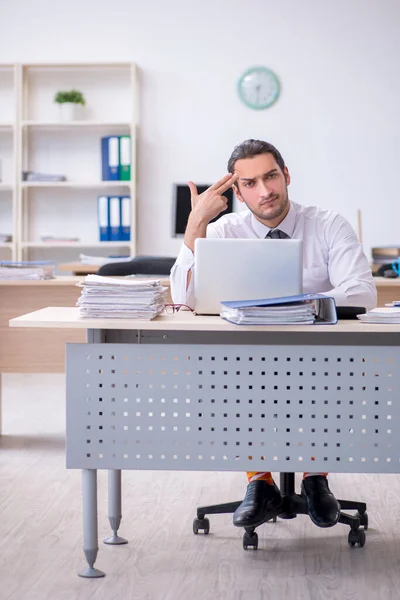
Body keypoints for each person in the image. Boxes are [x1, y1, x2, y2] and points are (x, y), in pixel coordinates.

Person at [170, 139, 377, 530]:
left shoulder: (328, 224)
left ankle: (316, 478)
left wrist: (288, 306)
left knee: (330, 373)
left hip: (319, 358)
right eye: (250, 183)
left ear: (286, 175)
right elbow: (183, 299)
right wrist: (197, 223)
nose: (264, 190)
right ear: (237, 191)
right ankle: (260, 483)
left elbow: (362, 292)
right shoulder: (224, 231)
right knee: (234, 375)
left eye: (271, 176)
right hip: (248, 360)